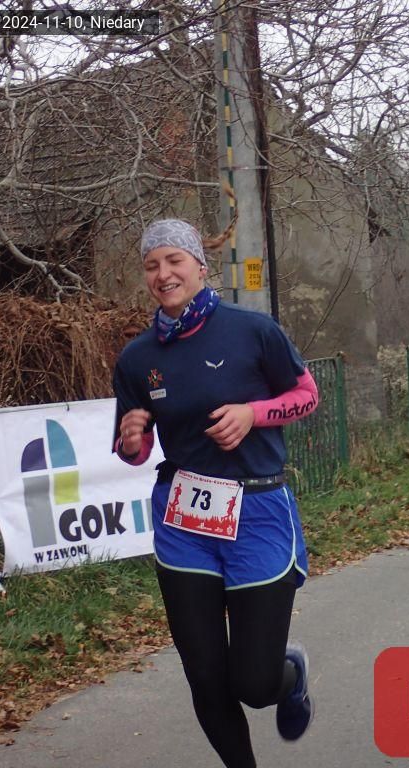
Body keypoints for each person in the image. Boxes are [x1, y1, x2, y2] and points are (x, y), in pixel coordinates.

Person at [113, 219, 318, 768]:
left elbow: (306, 394)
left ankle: (288, 675)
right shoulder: (137, 359)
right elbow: (135, 448)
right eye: (151, 265)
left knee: (253, 683)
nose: (163, 274)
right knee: (205, 676)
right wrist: (131, 440)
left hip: (256, 512)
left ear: (200, 268)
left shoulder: (253, 331)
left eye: (174, 260)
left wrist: (254, 414)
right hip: (183, 521)